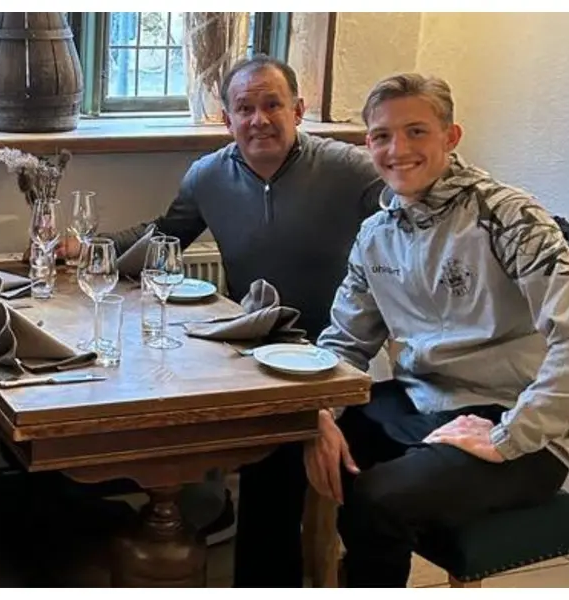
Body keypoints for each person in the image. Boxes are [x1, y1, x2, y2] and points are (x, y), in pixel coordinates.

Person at [45, 55, 386, 586]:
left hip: (338, 353)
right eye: (244, 108)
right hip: (256, 348)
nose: (259, 119)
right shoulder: (208, 175)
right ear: (227, 120)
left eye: (272, 104)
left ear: (298, 109)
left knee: (311, 483)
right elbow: (163, 236)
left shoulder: (352, 170)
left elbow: (414, 219)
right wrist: (90, 247)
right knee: (233, 457)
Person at [312, 73, 569, 587]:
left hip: (518, 424)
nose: (397, 149)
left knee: (375, 501)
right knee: (287, 440)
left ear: (451, 138)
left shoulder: (510, 217)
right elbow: (345, 339)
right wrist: (319, 409)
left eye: (416, 131)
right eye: (382, 135)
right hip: (424, 402)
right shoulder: (375, 234)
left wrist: (508, 434)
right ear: (368, 144)